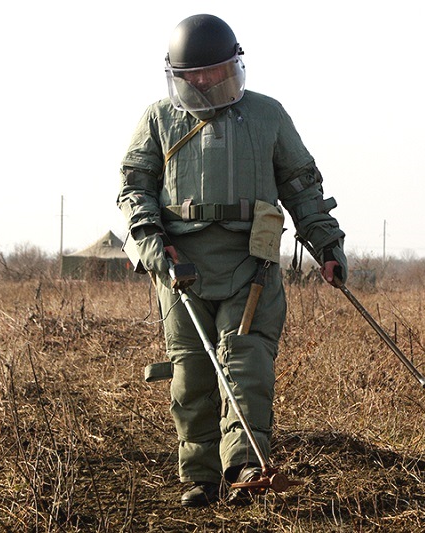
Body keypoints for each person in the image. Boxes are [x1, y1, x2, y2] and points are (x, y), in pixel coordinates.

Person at [117, 14, 347, 507]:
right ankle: (199, 476)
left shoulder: (268, 116)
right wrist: (154, 243)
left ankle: (244, 467)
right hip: (181, 270)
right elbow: (134, 188)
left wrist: (327, 245)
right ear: (176, 76)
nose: (202, 82)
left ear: (233, 66)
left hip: (252, 266)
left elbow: (302, 186)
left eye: (213, 72)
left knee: (247, 366)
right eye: (192, 75)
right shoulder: (158, 119)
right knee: (192, 374)